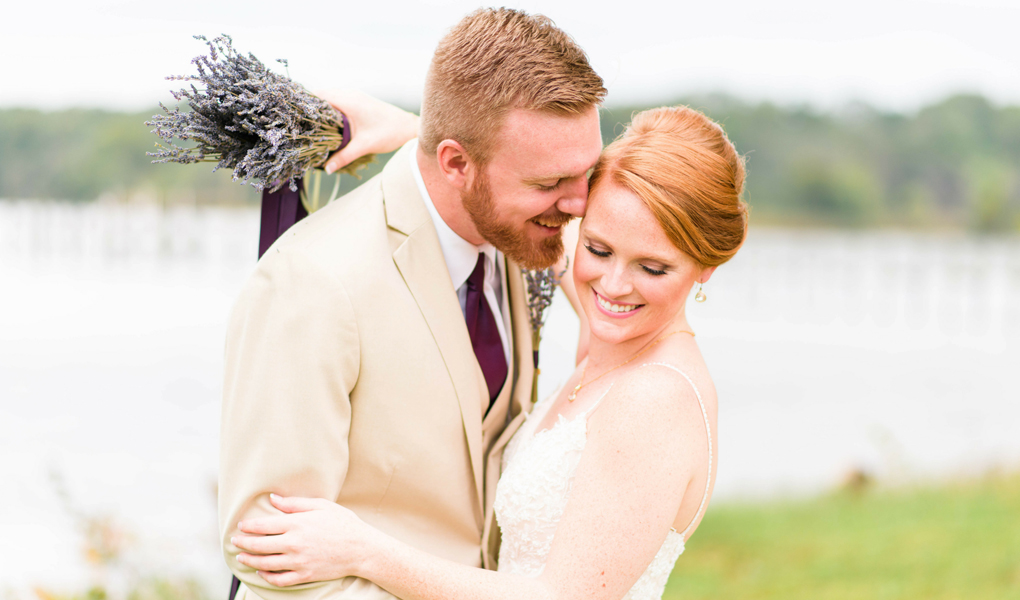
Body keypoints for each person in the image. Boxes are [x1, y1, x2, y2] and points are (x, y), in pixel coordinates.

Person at [231, 103, 749, 600]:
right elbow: (511, 200)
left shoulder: (654, 399)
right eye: (598, 249)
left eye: (652, 269)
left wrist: (362, 550)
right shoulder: (615, 342)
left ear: (706, 268)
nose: (613, 285)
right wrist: (425, 137)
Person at [219, 8, 606, 600]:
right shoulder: (312, 284)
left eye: (589, 173)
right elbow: (276, 568)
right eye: (550, 183)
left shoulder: (520, 235)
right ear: (455, 163)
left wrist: (408, 129)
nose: (580, 206)